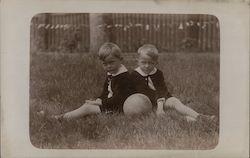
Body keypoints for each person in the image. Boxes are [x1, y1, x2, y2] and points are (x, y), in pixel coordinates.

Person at [130, 44, 216, 122]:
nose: (147, 66)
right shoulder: (135, 75)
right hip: (146, 103)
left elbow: (161, 90)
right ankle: (191, 120)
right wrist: (158, 109)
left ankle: (199, 117)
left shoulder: (158, 73)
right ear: (137, 61)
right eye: (143, 62)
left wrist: (160, 107)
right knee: (168, 115)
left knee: (175, 101)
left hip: (161, 99)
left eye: (151, 63)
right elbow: (145, 92)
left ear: (156, 63)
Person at [54, 42, 135, 120]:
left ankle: (61, 118)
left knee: (87, 108)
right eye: (105, 64)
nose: (109, 66)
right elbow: (105, 91)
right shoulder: (112, 73)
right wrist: (99, 99)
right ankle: (69, 116)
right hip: (110, 104)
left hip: (117, 108)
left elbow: (120, 98)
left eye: (111, 62)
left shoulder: (123, 77)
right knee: (88, 105)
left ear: (120, 59)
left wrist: (102, 103)